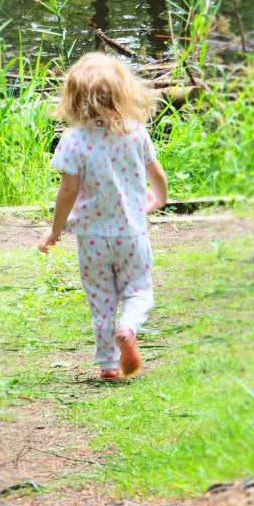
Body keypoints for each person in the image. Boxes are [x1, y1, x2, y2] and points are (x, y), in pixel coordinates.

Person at [38, 52, 168, 379]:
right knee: (139, 291)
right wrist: (160, 199)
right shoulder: (136, 133)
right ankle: (128, 327)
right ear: (124, 90)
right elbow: (158, 177)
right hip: (131, 234)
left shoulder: (73, 140)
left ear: (74, 96)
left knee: (101, 300)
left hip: (92, 237)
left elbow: (67, 192)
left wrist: (54, 231)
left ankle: (109, 366)